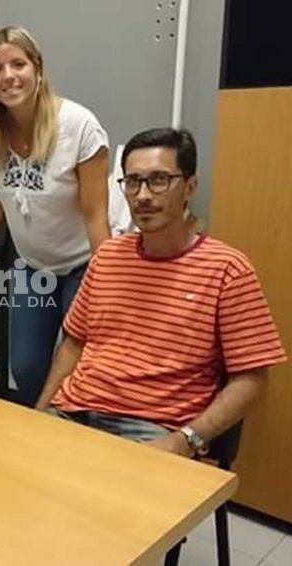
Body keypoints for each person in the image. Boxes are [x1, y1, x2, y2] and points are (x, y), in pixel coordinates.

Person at [35, 128, 287, 456]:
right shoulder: (108, 257)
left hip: (153, 428)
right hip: (74, 410)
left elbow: (252, 379)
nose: (142, 195)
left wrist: (186, 440)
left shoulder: (227, 269)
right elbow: (74, 343)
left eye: (158, 180)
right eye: (133, 181)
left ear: (189, 187)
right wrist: (39, 414)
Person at [0, 26, 111, 406]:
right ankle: (40, 436)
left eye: (18, 64)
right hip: (33, 266)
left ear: (38, 68)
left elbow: (97, 215)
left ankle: (71, 440)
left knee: (80, 367)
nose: (8, 76)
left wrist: (110, 282)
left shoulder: (78, 126)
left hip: (84, 265)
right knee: (27, 368)